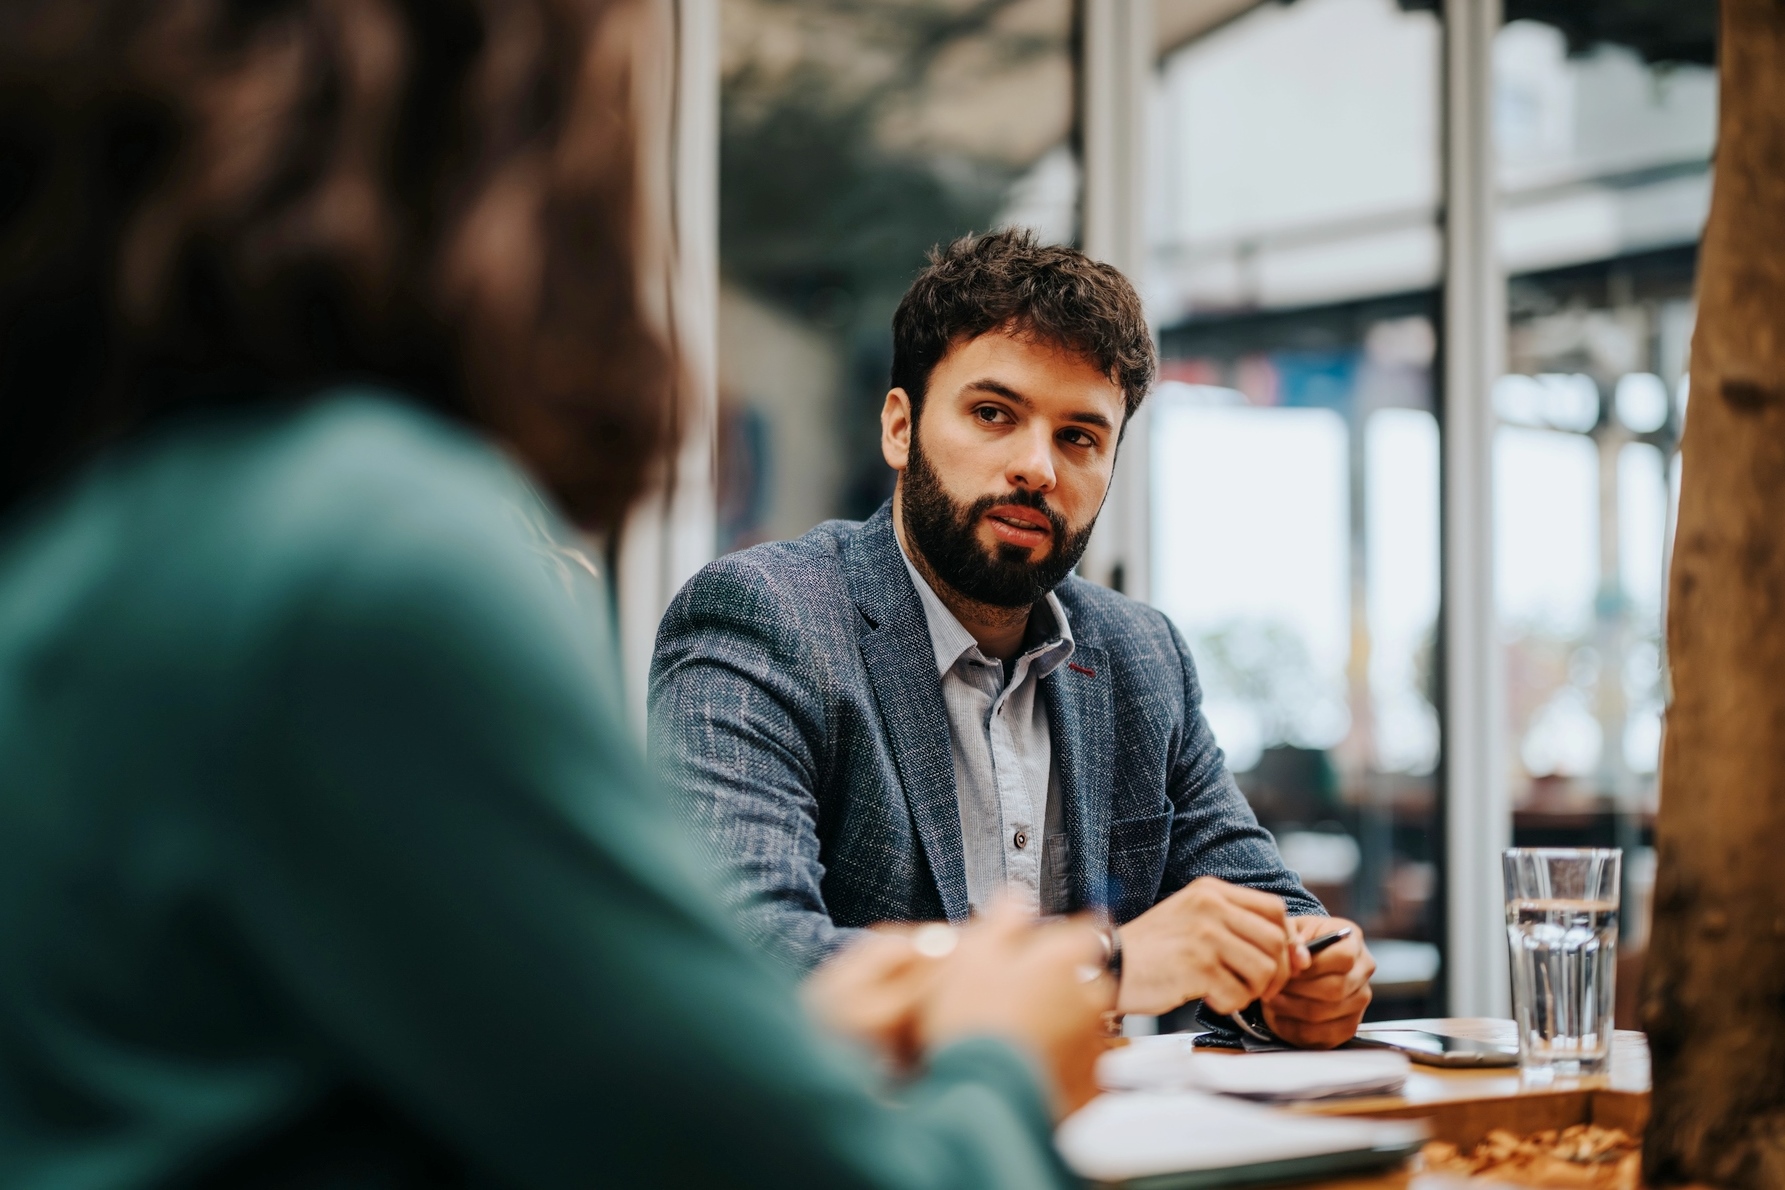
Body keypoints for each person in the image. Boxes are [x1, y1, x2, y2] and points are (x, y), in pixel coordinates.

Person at [0, 4, 1113, 1187]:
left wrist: (766, 1047)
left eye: (1083, 433)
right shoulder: (374, 558)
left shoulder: (116, 531)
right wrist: (1004, 1060)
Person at [650, 229, 1375, 1047]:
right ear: (899, 427)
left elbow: (1266, 908)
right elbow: (748, 959)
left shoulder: (1140, 656)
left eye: (1079, 437)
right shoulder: (765, 617)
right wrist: (1105, 966)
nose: (1037, 466)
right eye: (993, 413)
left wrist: (1300, 980)